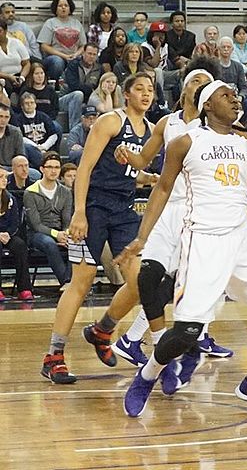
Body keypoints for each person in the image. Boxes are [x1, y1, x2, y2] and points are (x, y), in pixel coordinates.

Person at [117, 80, 247, 417]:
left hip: (243, 238)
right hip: (204, 240)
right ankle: (147, 375)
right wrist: (143, 238)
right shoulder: (186, 142)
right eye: (226, 96)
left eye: (236, 96)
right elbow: (161, 189)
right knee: (187, 332)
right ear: (207, 105)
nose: (235, 100)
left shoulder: (246, 145)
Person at [113, 61, 233, 373]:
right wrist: (128, 154)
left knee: (180, 284)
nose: (200, 84)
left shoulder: (217, 129)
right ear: (184, 90)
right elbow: (143, 159)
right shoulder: (169, 123)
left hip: (199, 212)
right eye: (196, 80)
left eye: (207, 82)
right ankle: (155, 339)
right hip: (169, 210)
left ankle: (154, 338)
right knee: (155, 279)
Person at [41, 73, 156, 384]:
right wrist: (79, 211)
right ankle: (54, 356)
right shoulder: (110, 121)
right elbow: (86, 168)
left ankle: (102, 329)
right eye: (140, 89)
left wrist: (149, 179)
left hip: (124, 209)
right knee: (83, 279)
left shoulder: (152, 131)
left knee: (141, 281)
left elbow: (130, 172)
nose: (146, 94)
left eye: (151, 90)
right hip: (93, 206)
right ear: (126, 93)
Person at [24, 152, 73, 289]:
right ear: (42, 169)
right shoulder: (31, 192)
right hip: (36, 234)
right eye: (50, 167)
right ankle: (67, 283)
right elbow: (35, 224)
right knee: (49, 244)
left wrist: (66, 234)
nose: (53, 171)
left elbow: (67, 219)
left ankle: (69, 282)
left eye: (57, 167)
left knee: (76, 242)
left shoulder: (66, 192)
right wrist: (57, 235)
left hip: (59, 231)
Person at [0, 167, 33, 301]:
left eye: (5, 178)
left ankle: (24, 288)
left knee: (20, 246)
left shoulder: (10, 198)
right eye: (1, 177)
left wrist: (7, 233)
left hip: (7, 234)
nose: (4, 180)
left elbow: (15, 222)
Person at [37, 0, 87, 81]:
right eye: (60, 6)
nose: (63, 8)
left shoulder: (77, 23)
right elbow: (44, 46)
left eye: (66, 5)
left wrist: (76, 55)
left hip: (74, 56)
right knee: (57, 62)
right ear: (55, 9)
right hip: (56, 57)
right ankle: (55, 85)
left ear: (70, 8)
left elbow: (83, 46)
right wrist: (64, 56)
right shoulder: (50, 23)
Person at [11, 92, 59, 169]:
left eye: (32, 102)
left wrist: (44, 146)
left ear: (35, 104)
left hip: (45, 149)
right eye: (26, 103)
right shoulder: (17, 119)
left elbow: (54, 135)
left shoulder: (43, 116)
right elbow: (20, 138)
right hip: (29, 151)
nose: (29, 105)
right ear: (22, 106)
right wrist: (36, 147)